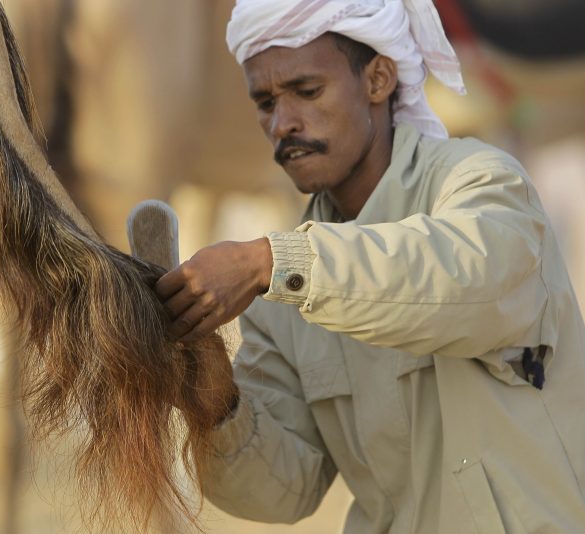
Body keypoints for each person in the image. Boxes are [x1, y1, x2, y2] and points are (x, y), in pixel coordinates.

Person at [154, 0, 585, 531]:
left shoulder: (481, 183)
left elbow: (467, 282)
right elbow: (285, 490)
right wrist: (215, 400)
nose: (283, 123)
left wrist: (272, 261)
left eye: (307, 91)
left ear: (378, 79)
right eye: (265, 103)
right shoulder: (278, 297)